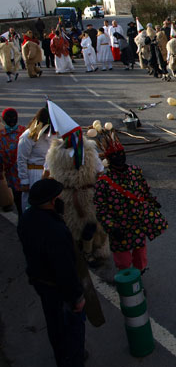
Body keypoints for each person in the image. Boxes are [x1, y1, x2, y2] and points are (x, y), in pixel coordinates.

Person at [17, 179, 87, 367]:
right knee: (72, 330)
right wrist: (77, 297)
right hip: (59, 289)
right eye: (58, 197)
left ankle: (62, 357)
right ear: (51, 201)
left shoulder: (26, 218)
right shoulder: (55, 230)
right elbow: (64, 268)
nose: (61, 199)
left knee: (55, 327)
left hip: (41, 283)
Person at [93, 122, 167, 270]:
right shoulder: (103, 183)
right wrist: (112, 227)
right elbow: (100, 209)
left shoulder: (135, 172)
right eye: (115, 156)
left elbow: (144, 191)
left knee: (140, 259)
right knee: (124, 263)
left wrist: (152, 202)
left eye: (121, 154)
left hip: (137, 224)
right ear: (109, 159)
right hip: (119, 227)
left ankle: (139, 279)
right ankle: (129, 287)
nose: (119, 158)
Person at [45, 101, 110, 266]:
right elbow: (100, 170)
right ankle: (87, 252)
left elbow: (47, 173)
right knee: (89, 223)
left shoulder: (54, 153)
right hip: (86, 195)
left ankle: (75, 250)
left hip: (64, 196)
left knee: (71, 223)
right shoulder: (88, 151)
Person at [17, 107, 54, 208]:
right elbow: (21, 159)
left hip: (49, 174)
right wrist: (24, 180)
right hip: (33, 174)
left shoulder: (52, 135)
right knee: (32, 205)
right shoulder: (28, 136)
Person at [0, 108, 26, 215]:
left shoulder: (24, 132)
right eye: (9, 117)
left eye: (13, 117)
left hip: (18, 171)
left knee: (20, 200)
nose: (11, 120)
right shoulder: (24, 132)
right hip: (12, 173)